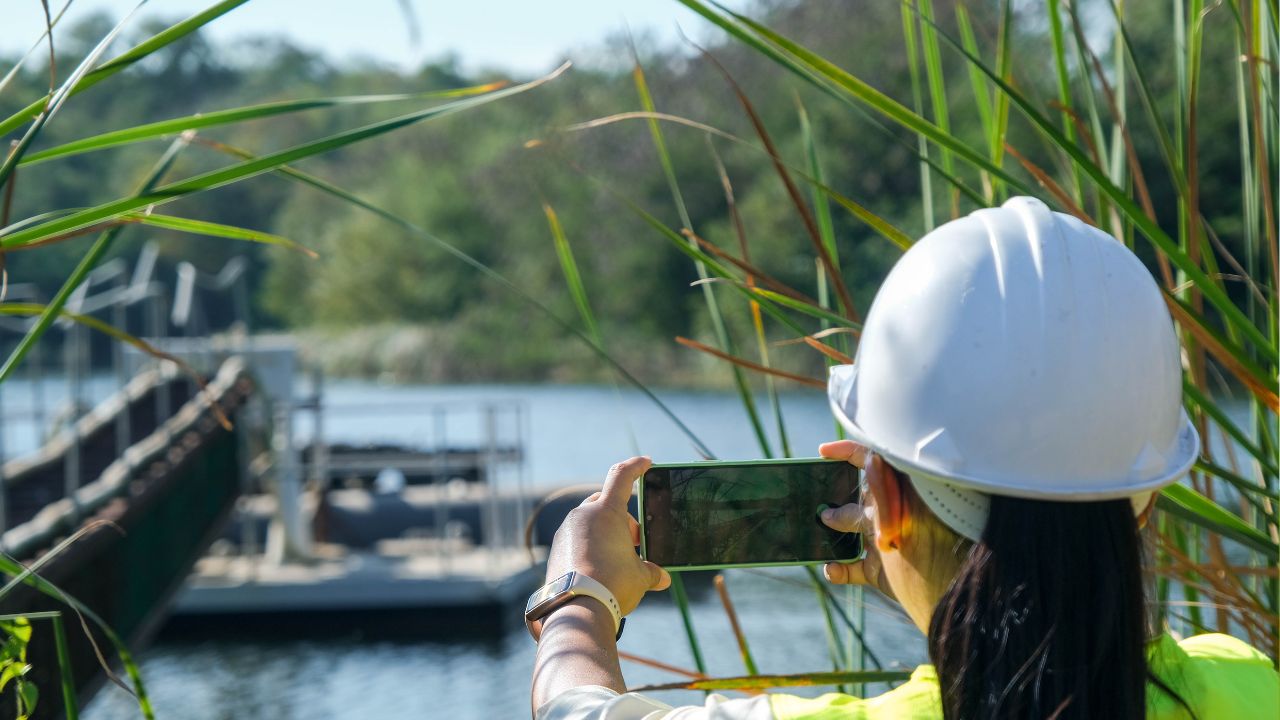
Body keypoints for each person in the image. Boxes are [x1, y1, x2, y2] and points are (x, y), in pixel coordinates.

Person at [527, 198, 1280, 719]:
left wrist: (577, 595)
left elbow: (574, 708)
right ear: (1145, 494)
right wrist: (950, 592)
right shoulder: (1247, 685)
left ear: (882, 500)